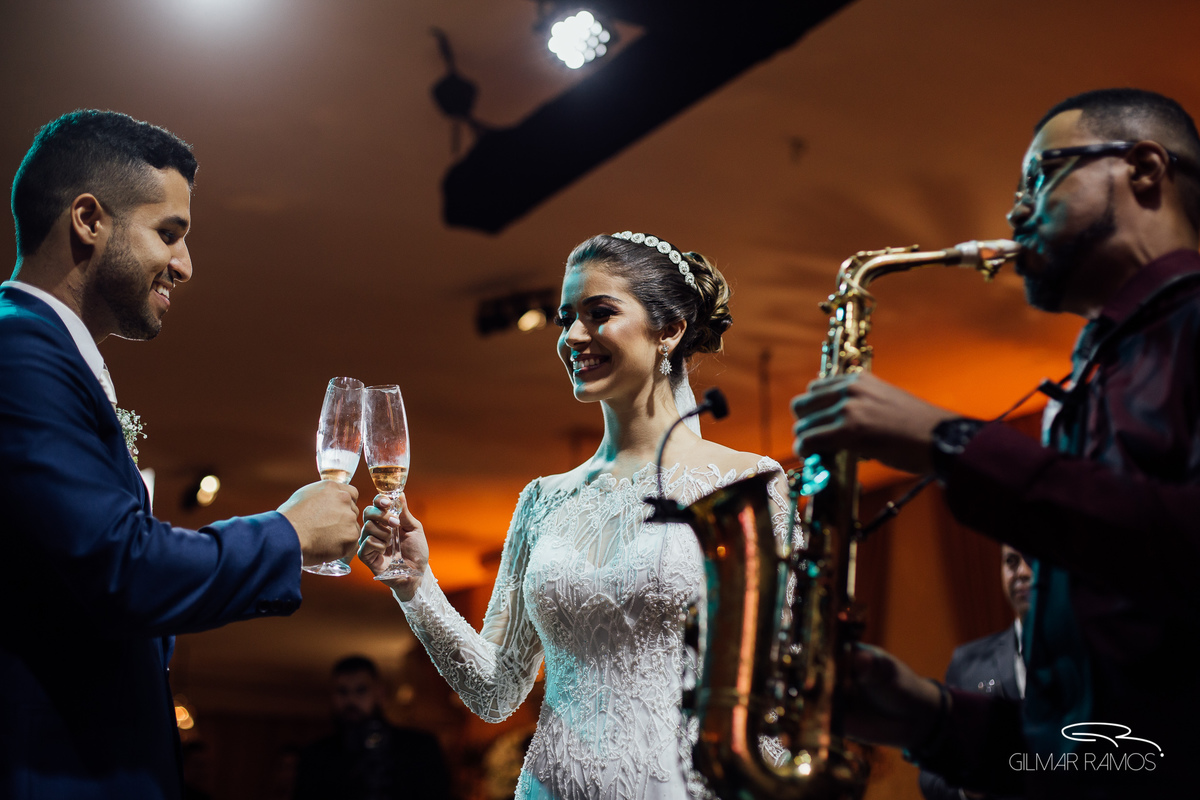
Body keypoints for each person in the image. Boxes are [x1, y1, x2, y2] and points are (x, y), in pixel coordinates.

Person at [791, 88, 1200, 798]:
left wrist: (946, 441)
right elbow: (1095, 754)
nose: (1015, 212)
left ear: (1144, 169)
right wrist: (931, 717)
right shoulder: (1089, 382)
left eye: (1041, 176)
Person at [0, 110, 362, 799]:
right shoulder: (17, 353)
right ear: (87, 219)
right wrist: (288, 533)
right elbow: (121, 569)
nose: (186, 265)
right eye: (169, 233)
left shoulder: (45, 357)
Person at [360, 231, 793, 800]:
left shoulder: (747, 483)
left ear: (671, 329)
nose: (571, 336)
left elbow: (777, 689)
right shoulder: (543, 499)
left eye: (600, 313)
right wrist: (415, 586)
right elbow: (495, 691)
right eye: (566, 317)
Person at [919, 545, 1031, 800]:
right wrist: (969, 788)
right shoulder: (968, 662)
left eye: (1032, 560)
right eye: (1011, 561)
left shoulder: (1092, 652)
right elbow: (930, 776)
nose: (1022, 572)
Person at [294, 655, 451, 800]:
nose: (351, 700)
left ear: (379, 693)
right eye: (342, 691)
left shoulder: (419, 748)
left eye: (361, 690)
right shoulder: (315, 756)